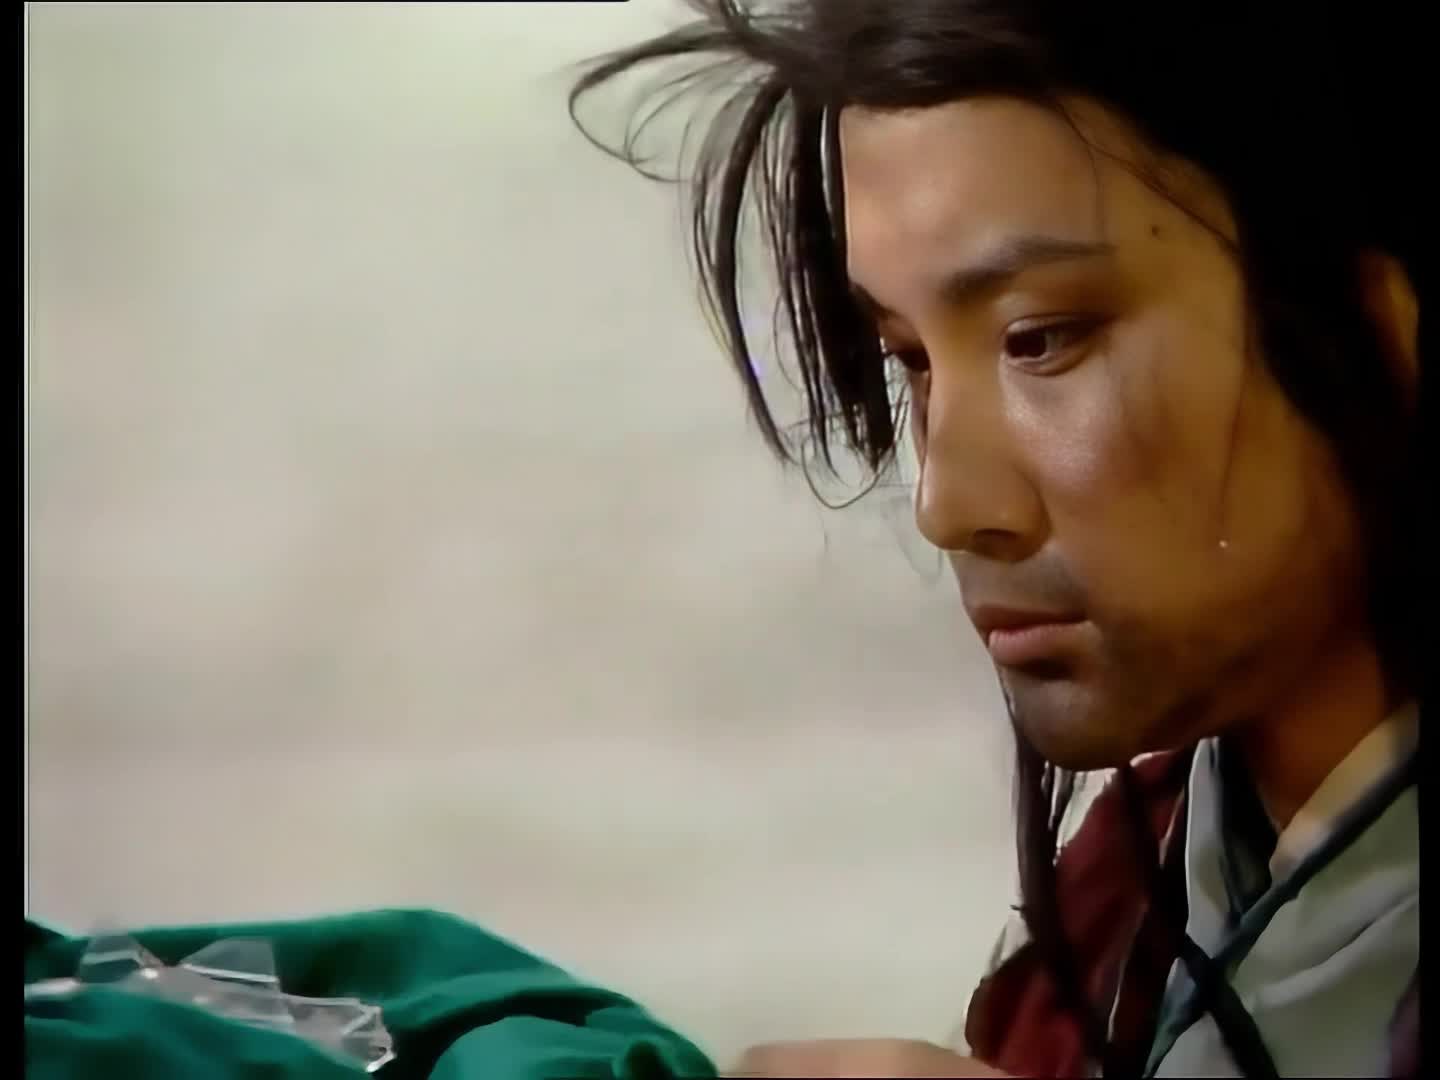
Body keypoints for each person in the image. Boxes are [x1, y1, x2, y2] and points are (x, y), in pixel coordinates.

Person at [569, 2, 1423, 1076]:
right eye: (911, 358)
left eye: (1039, 339)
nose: (947, 501)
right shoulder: (1116, 911)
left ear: (1386, 327)